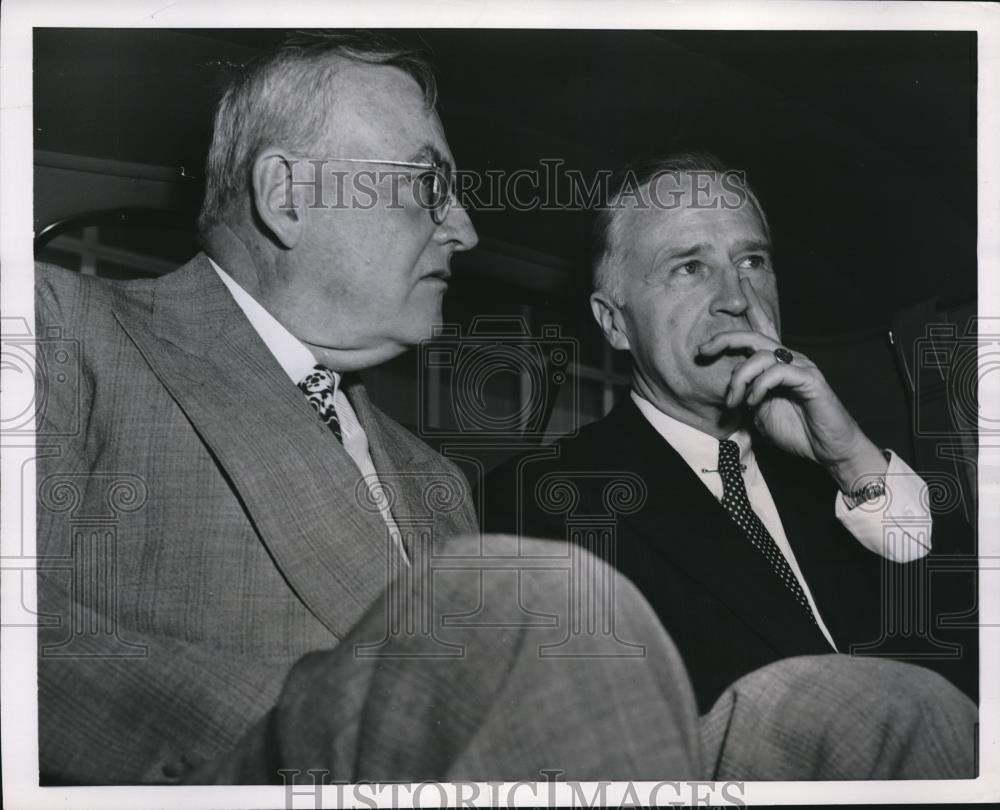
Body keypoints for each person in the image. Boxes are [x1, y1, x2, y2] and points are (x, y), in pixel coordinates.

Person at [35, 34, 975, 786]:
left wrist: (853, 464)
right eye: (429, 184)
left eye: (753, 259)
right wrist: (362, 728)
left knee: (890, 710)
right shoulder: (59, 326)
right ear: (288, 195)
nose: (467, 229)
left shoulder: (435, 481)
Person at [481, 152, 977, 712]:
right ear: (615, 323)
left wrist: (851, 461)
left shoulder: (831, 476)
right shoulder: (536, 508)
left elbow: (972, 653)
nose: (737, 298)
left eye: (752, 261)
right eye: (689, 267)